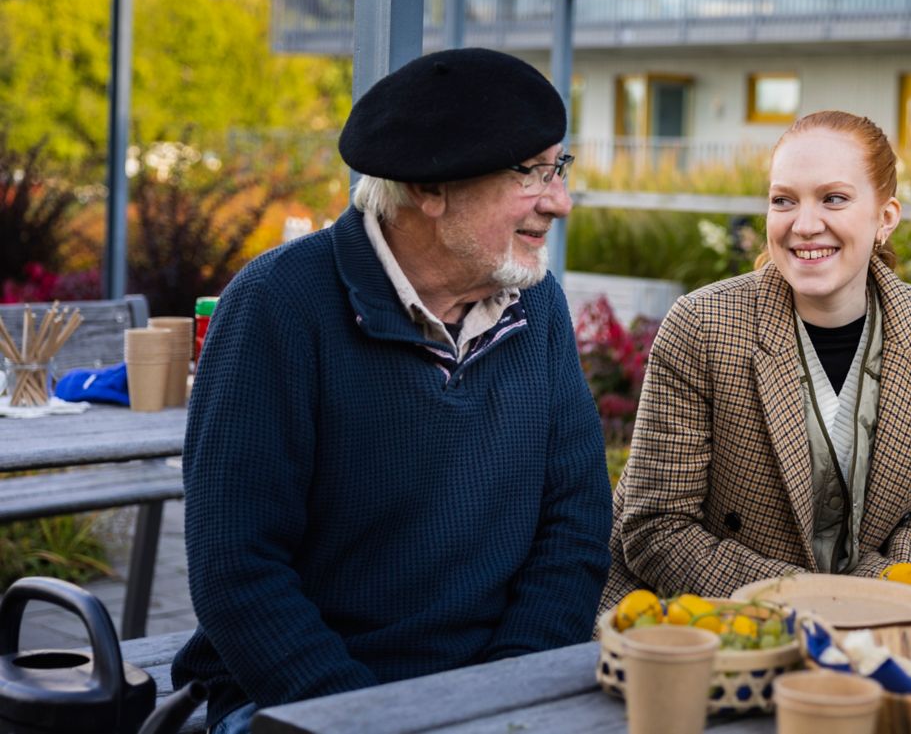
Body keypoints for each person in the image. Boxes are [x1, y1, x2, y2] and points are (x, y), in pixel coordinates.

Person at [173, 48, 611, 734]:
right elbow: (239, 572)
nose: (558, 199)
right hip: (303, 702)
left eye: (559, 166)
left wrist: (507, 695)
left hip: (497, 694)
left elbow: (575, 524)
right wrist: (372, 720)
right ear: (428, 188)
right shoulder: (276, 306)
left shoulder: (538, 305)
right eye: (529, 172)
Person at [602, 110, 911, 605]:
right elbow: (657, 530)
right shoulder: (703, 326)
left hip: (869, 621)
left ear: (886, 218)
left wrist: (883, 588)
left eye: (833, 198)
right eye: (784, 201)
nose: (805, 224)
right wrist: (812, 598)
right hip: (704, 627)